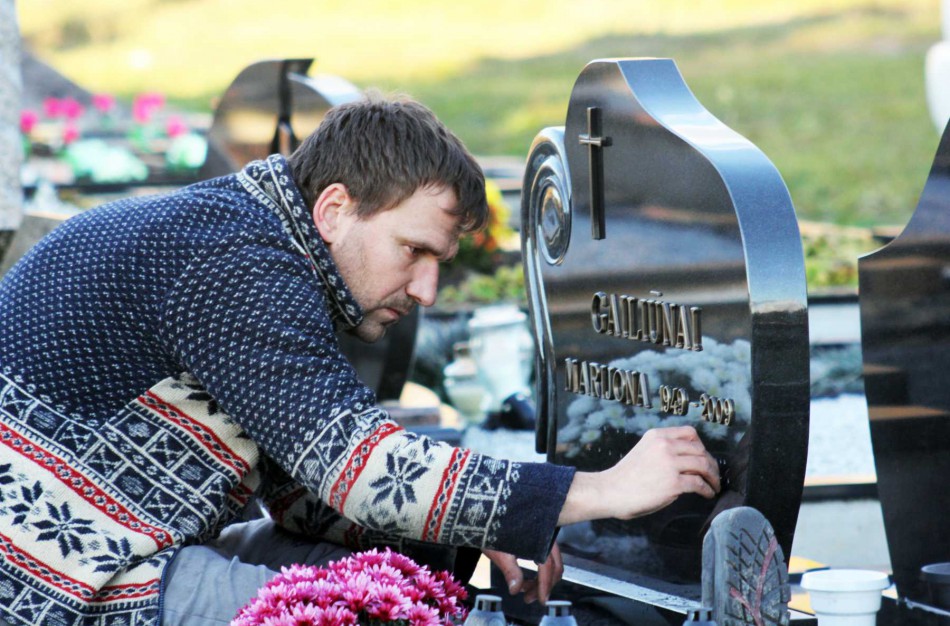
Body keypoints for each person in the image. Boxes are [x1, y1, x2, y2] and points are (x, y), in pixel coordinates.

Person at [0, 94, 720, 626]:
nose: (429, 289)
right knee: (359, 612)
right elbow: (360, 468)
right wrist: (601, 490)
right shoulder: (236, 261)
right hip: (52, 585)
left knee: (385, 576)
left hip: (108, 553)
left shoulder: (254, 241)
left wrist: (473, 539)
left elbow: (307, 499)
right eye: (414, 252)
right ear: (335, 209)